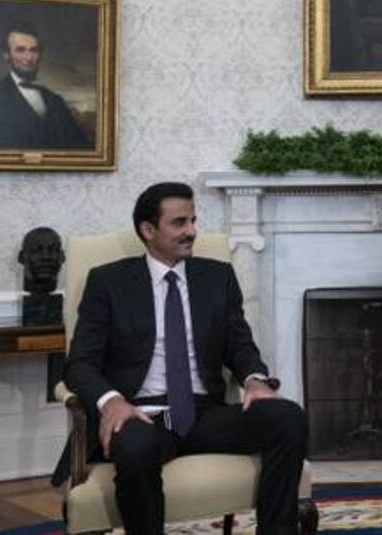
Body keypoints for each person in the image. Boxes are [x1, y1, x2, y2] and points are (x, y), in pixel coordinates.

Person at [60, 182, 307, 535]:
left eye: (193, 220)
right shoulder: (108, 282)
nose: (192, 231)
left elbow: (239, 344)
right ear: (148, 230)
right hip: (142, 414)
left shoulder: (217, 277)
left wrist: (254, 379)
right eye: (179, 223)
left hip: (204, 413)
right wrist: (111, 401)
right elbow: (79, 362)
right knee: (135, 448)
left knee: (288, 417)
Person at [0, 21, 92, 150]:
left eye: (34, 50)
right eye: (20, 50)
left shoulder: (56, 101)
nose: (28, 57)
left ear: (40, 55)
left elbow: (80, 147)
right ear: (6, 55)